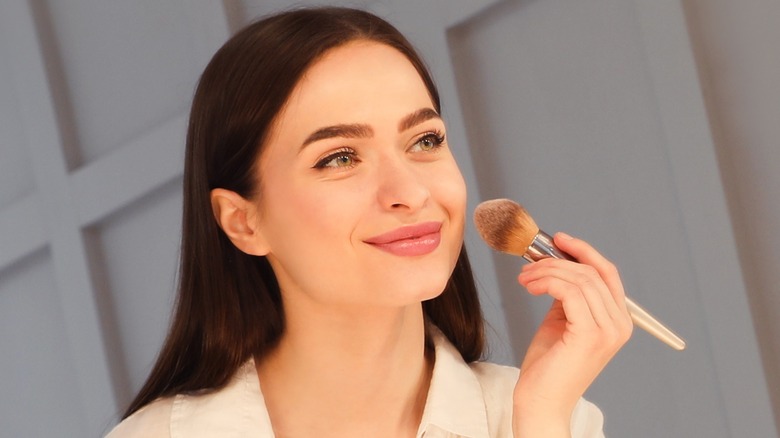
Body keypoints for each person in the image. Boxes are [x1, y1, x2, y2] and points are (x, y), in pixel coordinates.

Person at [107, 6, 632, 437]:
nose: (410, 192)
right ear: (244, 222)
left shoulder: (547, 420)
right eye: (339, 157)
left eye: (425, 141)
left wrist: (540, 419)